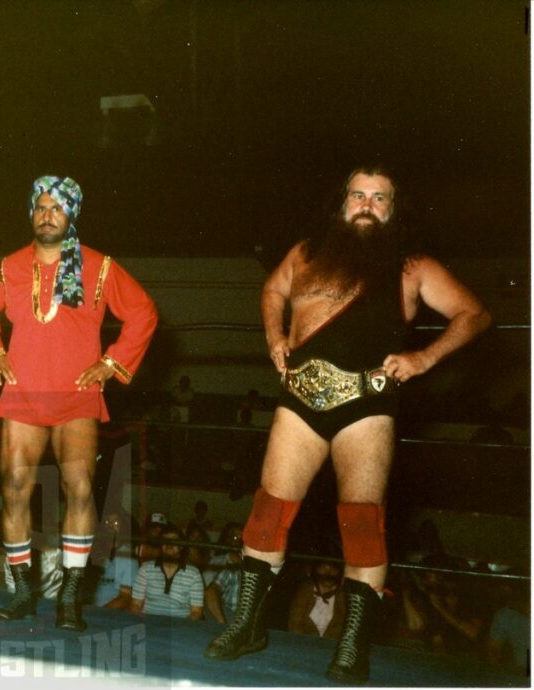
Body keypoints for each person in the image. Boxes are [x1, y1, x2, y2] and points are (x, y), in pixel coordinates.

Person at [203, 166, 491, 684]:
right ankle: (246, 625)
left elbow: (473, 314)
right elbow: (272, 292)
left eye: (379, 198)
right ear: (342, 204)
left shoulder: (412, 267)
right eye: (358, 195)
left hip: (367, 404)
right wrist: (274, 338)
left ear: (393, 210)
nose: (366, 204)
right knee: (267, 513)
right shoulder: (306, 253)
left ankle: (353, 645)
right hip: (300, 400)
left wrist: (424, 357)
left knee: (362, 525)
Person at [0, 175, 157, 631]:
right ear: (31, 213)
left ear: (71, 215)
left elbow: (143, 312)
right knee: (13, 486)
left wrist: (112, 364)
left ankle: (70, 597)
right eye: (40, 208)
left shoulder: (100, 267)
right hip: (24, 392)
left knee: (78, 488)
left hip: (76, 394)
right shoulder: (8, 267)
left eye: (56, 208)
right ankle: (23, 592)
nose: (47, 215)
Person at [129, 525, 205, 620]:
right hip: (149, 622)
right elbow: (135, 605)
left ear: (181, 546)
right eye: (166, 541)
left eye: (174, 541)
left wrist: (183, 629)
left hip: (180, 624)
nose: (169, 544)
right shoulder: (145, 569)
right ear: (161, 545)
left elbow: (196, 612)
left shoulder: (194, 574)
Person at [287, 560, 347, 639]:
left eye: (333, 568)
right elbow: (294, 625)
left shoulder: (344, 596)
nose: (328, 572)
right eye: (323, 568)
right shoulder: (305, 592)